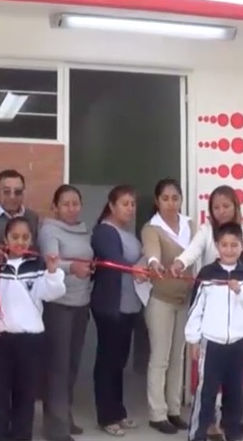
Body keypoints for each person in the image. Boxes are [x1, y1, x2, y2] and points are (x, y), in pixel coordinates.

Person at [169, 185, 243, 441]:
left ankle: (232, 429)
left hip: (239, 321)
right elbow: (191, 253)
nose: (221, 211)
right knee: (207, 388)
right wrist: (180, 262)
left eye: (226, 205)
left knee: (236, 387)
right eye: (216, 207)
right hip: (213, 326)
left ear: (236, 205)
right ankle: (203, 429)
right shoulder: (206, 237)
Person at [0, 217, 66, 441]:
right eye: (15, 237)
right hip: (1, 341)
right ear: (5, 239)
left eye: (25, 237)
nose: (20, 241)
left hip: (31, 342)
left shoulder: (37, 266)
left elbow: (52, 292)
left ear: (32, 240)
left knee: (26, 397)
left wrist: (53, 271)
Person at [185, 222, 243, 441]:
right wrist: (193, 340)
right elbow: (195, 310)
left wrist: (240, 291)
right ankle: (197, 435)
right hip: (211, 344)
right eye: (224, 245)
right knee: (206, 394)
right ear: (217, 246)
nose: (229, 250)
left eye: (234, 245)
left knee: (236, 394)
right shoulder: (207, 274)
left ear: (242, 246)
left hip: (238, 344)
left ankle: (234, 435)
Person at [90, 185, 147, 437]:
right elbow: (113, 260)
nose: (130, 208)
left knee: (119, 361)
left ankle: (118, 411)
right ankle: (106, 416)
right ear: (111, 206)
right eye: (125, 203)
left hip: (129, 305)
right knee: (107, 361)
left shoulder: (127, 232)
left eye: (133, 204)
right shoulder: (105, 230)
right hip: (110, 306)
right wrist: (136, 269)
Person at [38, 185, 93, 441]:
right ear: (56, 208)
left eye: (75, 203)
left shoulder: (83, 230)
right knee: (57, 368)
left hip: (81, 304)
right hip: (59, 305)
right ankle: (55, 429)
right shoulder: (49, 230)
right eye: (66, 204)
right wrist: (73, 268)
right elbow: (50, 261)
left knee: (71, 365)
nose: (72, 209)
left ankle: (65, 415)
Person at [141, 179, 196, 434]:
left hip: (185, 301)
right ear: (157, 201)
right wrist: (153, 262)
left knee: (178, 358)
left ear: (181, 200)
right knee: (160, 358)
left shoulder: (191, 225)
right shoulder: (152, 228)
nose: (171, 203)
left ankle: (174, 410)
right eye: (165, 198)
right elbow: (152, 251)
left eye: (175, 198)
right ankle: (157, 413)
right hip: (161, 301)